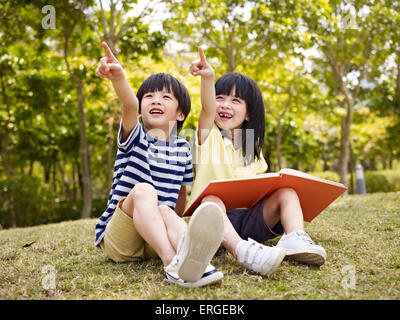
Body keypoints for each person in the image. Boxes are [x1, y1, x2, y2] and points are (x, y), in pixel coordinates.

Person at [94, 42, 224, 288]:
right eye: (149, 96)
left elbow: (181, 197)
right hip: (120, 242)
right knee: (145, 191)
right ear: (141, 111)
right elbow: (129, 104)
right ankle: (171, 263)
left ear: (180, 114)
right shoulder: (134, 137)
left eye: (166, 97)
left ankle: (195, 259)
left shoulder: (183, 148)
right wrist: (118, 76)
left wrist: (177, 224)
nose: (156, 100)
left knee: (166, 210)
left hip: (152, 239)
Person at [188, 47, 327, 276]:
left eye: (235, 101)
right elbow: (206, 107)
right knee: (211, 200)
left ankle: (295, 240)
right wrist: (208, 78)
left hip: (250, 221)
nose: (224, 105)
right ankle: (242, 251)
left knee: (287, 192)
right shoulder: (207, 136)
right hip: (214, 224)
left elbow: (258, 191)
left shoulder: (252, 148)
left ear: (249, 114)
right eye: (220, 98)